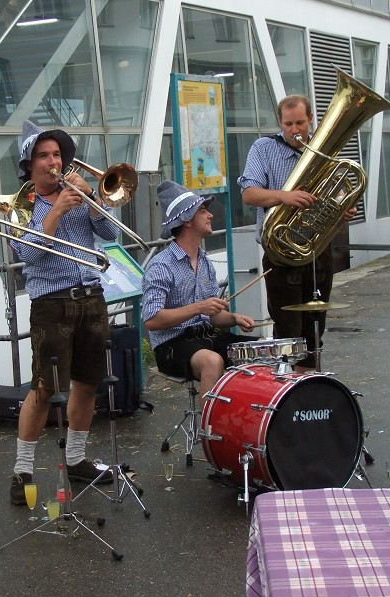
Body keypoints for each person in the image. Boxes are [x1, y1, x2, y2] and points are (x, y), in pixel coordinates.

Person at [7, 120, 118, 504]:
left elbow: (112, 235)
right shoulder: (21, 205)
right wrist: (55, 211)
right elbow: (27, 253)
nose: (53, 161)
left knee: (88, 383)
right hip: (51, 303)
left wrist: (94, 200)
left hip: (91, 296)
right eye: (44, 155)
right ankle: (22, 472)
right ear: (30, 164)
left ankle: (76, 459)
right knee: (45, 387)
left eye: (57, 154)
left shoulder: (78, 193)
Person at [239, 94, 352, 369]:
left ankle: (309, 389)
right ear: (280, 122)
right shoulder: (263, 148)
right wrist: (284, 196)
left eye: (300, 122)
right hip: (281, 254)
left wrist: (341, 212)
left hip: (317, 251)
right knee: (287, 332)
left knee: (314, 332)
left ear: (310, 119)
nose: (295, 130)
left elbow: (335, 196)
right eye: (288, 124)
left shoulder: (323, 150)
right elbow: (249, 194)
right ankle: (287, 390)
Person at [142, 181, 256, 396]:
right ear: (186, 220)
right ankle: (209, 429)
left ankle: (246, 423)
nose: (210, 215)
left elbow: (213, 317)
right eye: (203, 211)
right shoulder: (161, 265)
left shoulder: (205, 261)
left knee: (260, 351)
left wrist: (234, 318)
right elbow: (152, 320)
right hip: (171, 345)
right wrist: (198, 308)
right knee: (212, 362)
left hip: (206, 336)